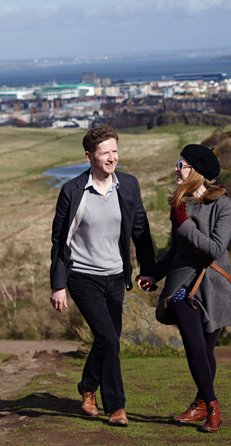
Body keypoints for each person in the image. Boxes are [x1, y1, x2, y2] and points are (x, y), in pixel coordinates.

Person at [50, 125, 156, 427]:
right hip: (82, 276)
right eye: (104, 152)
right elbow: (60, 242)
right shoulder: (73, 191)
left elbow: (140, 230)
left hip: (115, 276)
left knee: (107, 340)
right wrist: (58, 284)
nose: (112, 158)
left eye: (115, 151)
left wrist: (148, 269)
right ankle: (116, 406)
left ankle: (87, 386)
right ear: (89, 156)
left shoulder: (129, 185)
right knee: (109, 338)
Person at [137, 144, 231, 432]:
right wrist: (154, 273)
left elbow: (216, 249)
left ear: (196, 171)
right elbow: (175, 251)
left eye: (181, 164)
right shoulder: (180, 205)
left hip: (214, 287)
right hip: (181, 286)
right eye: (177, 163)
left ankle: (200, 404)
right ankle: (214, 408)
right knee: (193, 345)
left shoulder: (226, 207)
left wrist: (183, 225)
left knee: (205, 351)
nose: (176, 169)